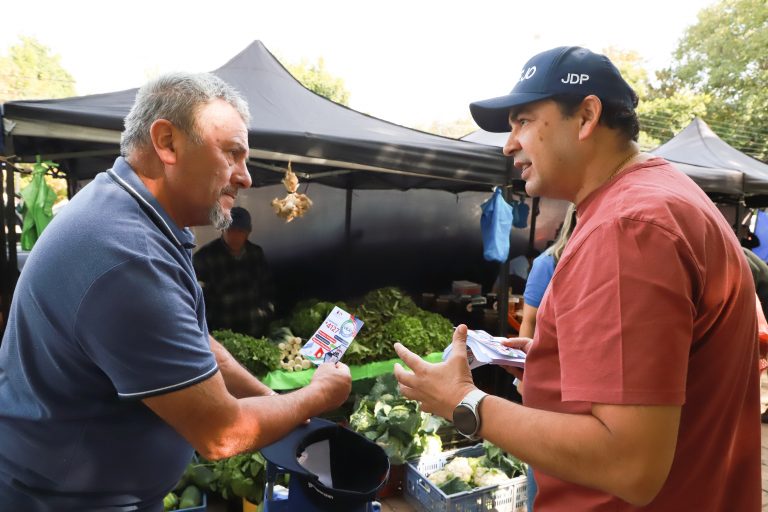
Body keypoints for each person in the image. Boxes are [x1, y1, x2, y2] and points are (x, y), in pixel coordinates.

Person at [394, 46, 760, 511]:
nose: (509, 144)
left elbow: (629, 463)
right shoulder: (659, 197)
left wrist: (464, 402)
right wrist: (555, 360)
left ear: (586, 116)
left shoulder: (627, 227)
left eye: (523, 121)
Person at [0, 72, 351, 510]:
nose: (245, 177)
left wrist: (271, 401)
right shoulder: (129, 254)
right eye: (232, 154)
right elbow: (221, 434)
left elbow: (199, 345)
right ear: (166, 142)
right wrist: (317, 395)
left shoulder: (140, 218)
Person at [194, 206, 274, 338]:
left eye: (240, 231)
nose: (235, 235)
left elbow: (267, 287)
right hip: (223, 334)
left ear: (248, 232)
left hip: (255, 329)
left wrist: (266, 312)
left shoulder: (255, 253)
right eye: (231, 230)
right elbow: (197, 298)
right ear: (222, 229)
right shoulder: (204, 257)